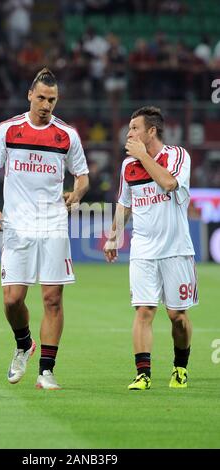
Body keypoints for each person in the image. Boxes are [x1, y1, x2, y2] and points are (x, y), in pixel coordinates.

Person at [0, 68, 89, 390]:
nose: (46, 105)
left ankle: (46, 370)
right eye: (41, 97)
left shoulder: (67, 135)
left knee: (53, 299)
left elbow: (82, 177)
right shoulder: (8, 130)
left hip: (53, 222)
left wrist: (77, 193)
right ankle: (23, 343)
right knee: (13, 300)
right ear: (30, 95)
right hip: (17, 225)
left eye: (52, 100)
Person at [104, 106, 198, 390]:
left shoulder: (178, 156)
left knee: (177, 317)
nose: (129, 133)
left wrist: (143, 156)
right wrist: (114, 235)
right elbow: (125, 203)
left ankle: (180, 367)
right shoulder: (126, 166)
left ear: (151, 131)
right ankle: (142, 374)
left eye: (134, 128)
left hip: (176, 249)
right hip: (143, 250)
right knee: (143, 311)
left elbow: (169, 183)